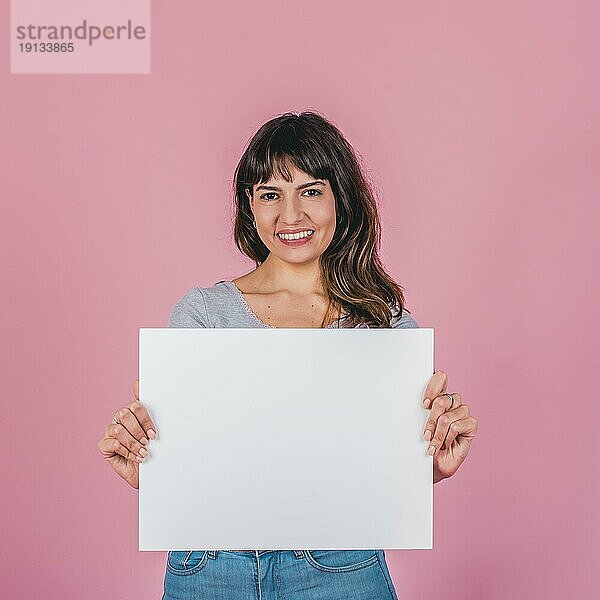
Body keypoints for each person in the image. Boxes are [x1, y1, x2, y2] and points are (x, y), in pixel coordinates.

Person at [97, 111, 478, 599]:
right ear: (249, 207)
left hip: (339, 566)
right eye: (271, 194)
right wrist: (148, 467)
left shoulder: (385, 324)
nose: (291, 215)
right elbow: (193, 467)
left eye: (311, 191)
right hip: (210, 566)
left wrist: (432, 467)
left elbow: (374, 472)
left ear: (342, 199)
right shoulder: (204, 313)